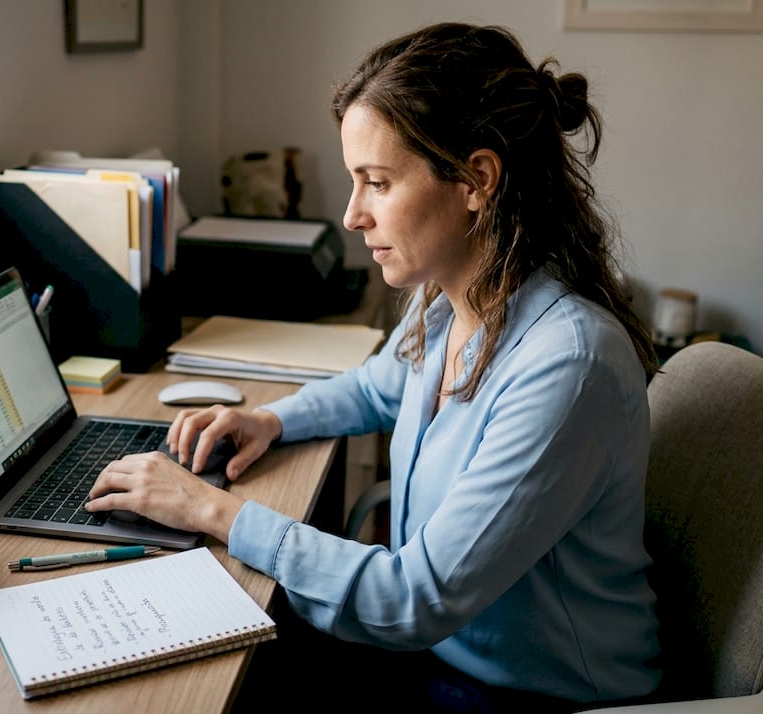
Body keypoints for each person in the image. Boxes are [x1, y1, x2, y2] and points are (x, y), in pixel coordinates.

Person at [88, 21, 662, 713]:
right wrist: (268, 418)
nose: (353, 214)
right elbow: (380, 385)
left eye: (378, 182)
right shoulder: (452, 297)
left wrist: (208, 508)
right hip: (443, 650)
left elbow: (409, 600)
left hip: (528, 694)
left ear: (476, 180)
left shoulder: (567, 365)